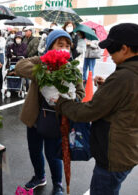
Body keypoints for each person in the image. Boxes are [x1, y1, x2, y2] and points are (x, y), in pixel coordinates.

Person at [55, 23, 138, 195]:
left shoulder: (123, 77)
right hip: (129, 149)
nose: (109, 54)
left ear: (125, 49)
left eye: (111, 49)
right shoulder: (129, 75)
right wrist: (107, 87)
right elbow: (128, 100)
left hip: (114, 155)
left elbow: (88, 112)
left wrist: (61, 103)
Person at [15, 30, 85, 195]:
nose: (64, 49)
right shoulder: (42, 61)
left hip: (56, 119)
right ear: (50, 46)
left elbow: (80, 94)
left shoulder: (72, 69)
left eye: (67, 46)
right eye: (60, 45)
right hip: (34, 117)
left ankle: (58, 184)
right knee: (34, 150)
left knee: (53, 155)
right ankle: (39, 177)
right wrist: (44, 71)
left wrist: (65, 98)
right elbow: (20, 67)